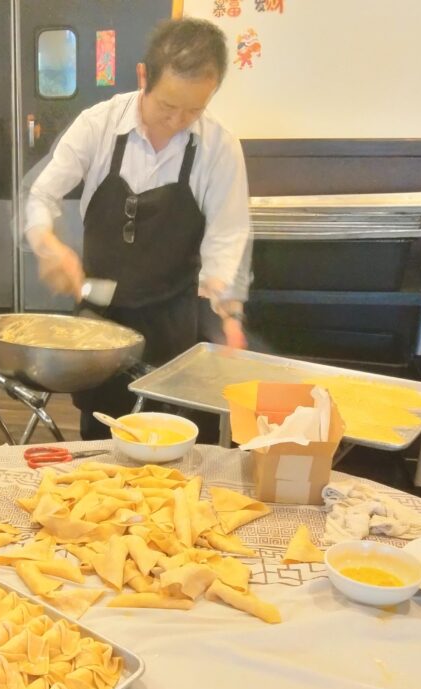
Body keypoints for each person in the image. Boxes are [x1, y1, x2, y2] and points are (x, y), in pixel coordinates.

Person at [25, 17, 252, 440]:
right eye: (168, 106)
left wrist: (228, 309)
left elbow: (228, 236)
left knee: (177, 445)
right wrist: (47, 244)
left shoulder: (219, 147)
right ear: (143, 75)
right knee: (101, 444)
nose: (178, 120)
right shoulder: (99, 125)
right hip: (100, 325)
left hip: (175, 321)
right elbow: (41, 195)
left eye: (195, 109)